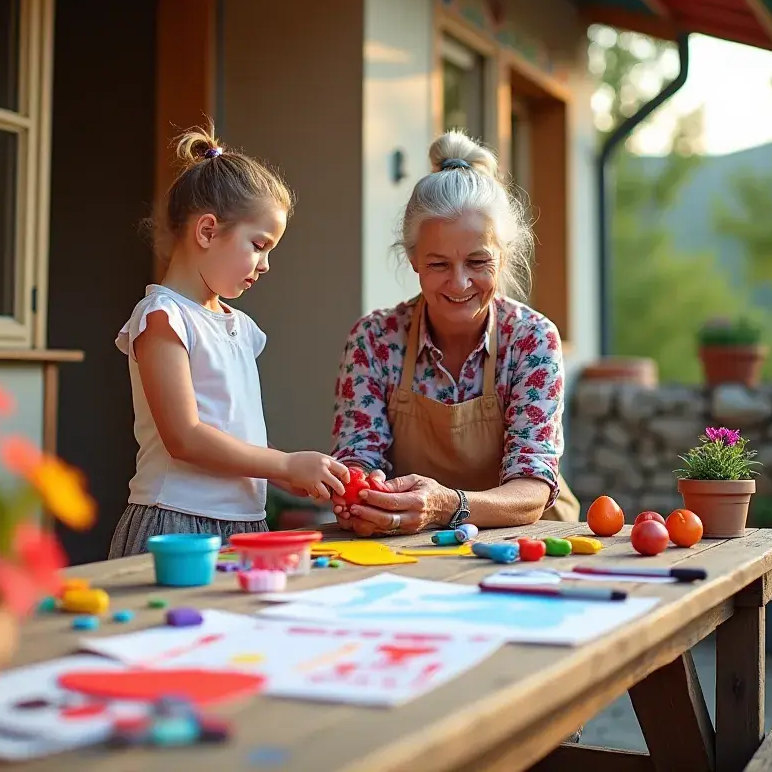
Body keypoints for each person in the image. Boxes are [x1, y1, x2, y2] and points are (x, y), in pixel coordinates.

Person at [109, 126, 350, 556]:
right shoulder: (165, 318)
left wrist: (294, 474)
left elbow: (240, 442)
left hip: (244, 526)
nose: (266, 264)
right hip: (178, 525)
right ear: (206, 231)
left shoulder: (239, 326)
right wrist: (286, 463)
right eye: (259, 245)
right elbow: (184, 436)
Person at [330, 130, 579, 537]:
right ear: (413, 260)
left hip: (525, 545)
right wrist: (359, 495)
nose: (460, 283)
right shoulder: (374, 340)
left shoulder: (532, 340)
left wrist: (446, 505)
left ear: (505, 255)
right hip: (410, 544)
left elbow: (532, 488)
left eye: (478, 261)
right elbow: (358, 457)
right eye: (439, 264)